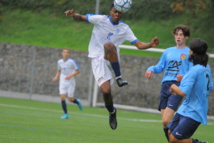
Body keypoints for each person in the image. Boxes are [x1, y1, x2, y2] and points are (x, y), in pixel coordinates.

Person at [64, 3, 159, 130]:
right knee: (106, 92)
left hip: (112, 56)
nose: (117, 14)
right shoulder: (100, 19)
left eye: (120, 12)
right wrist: (73, 15)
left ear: (123, 13)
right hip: (97, 59)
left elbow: (139, 45)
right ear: (110, 12)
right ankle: (112, 112)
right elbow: (80, 17)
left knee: (109, 45)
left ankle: (118, 77)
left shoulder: (124, 28)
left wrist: (150, 44)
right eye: (115, 11)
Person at [145, 25, 192, 141]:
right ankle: (178, 140)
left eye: (181, 35)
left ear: (186, 37)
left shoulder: (190, 53)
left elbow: (193, 72)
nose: (178, 37)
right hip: (165, 86)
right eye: (176, 34)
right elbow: (159, 67)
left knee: (166, 120)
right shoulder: (168, 51)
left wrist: (184, 77)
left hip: (177, 86)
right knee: (165, 123)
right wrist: (150, 69)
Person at [168, 38, 213, 143]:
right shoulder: (206, 67)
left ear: (192, 52)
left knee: (174, 139)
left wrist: (173, 86)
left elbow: (182, 92)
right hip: (186, 107)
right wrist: (185, 79)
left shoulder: (194, 70)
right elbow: (209, 85)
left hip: (195, 111)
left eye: (190, 49)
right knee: (170, 132)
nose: (188, 51)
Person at [52, 48, 83, 119]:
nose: (65, 53)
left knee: (70, 99)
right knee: (62, 97)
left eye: (67, 52)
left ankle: (77, 102)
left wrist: (70, 76)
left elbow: (78, 70)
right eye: (64, 52)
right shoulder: (59, 62)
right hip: (62, 80)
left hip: (70, 81)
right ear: (62, 53)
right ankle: (66, 114)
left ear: (69, 54)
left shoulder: (72, 62)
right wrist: (56, 77)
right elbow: (59, 70)